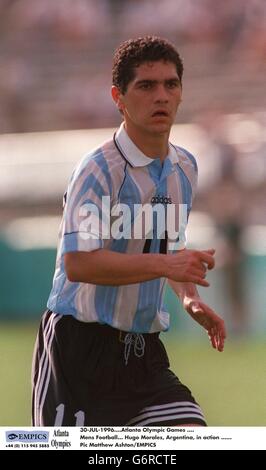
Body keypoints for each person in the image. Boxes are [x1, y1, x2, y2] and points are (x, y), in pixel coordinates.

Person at [32, 36, 226, 427]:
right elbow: (80, 264)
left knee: (190, 436)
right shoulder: (98, 171)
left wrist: (189, 299)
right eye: (146, 85)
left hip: (143, 353)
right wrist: (168, 265)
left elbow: (169, 245)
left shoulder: (184, 168)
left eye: (171, 85)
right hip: (79, 350)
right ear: (118, 97)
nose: (162, 96)